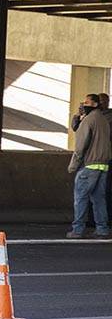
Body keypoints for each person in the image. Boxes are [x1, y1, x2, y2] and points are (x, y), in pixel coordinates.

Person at [68, 93, 111, 239]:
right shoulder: (104, 120)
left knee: (80, 198)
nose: (83, 104)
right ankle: (102, 228)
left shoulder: (88, 121)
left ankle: (77, 229)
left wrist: (73, 166)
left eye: (86, 102)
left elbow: (80, 146)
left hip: (90, 165)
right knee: (99, 198)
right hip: (103, 165)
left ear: (93, 104)